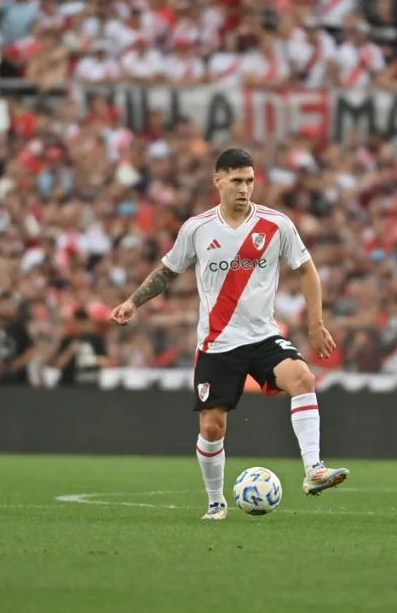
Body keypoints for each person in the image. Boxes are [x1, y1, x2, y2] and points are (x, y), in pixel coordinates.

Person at [109, 147, 350, 520]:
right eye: (236, 181)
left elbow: (307, 269)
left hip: (263, 335)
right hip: (218, 343)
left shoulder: (277, 224)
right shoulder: (197, 229)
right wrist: (132, 303)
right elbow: (167, 272)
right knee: (211, 425)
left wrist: (315, 324)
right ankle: (216, 501)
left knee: (303, 377)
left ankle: (314, 469)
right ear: (217, 181)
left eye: (250, 181)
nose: (244, 188)